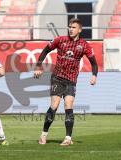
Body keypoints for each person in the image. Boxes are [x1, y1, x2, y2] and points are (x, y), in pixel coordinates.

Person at [34, 18, 98, 146]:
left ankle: (68, 138)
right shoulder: (60, 40)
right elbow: (45, 50)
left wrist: (94, 75)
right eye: (70, 26)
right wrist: (38, 66)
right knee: (54, 106)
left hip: (71, 80)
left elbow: (94, 63)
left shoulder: (85, 45)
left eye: (74, 27)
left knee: (69, 106)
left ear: (79, 30)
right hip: (57, 77)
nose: (71, 29)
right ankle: (43, 135)